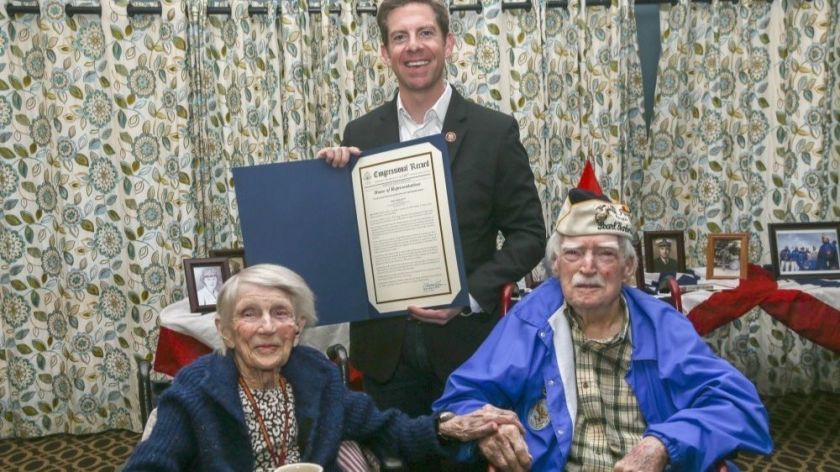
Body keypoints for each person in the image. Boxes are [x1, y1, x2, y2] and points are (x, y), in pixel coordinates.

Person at [433, 176, 773, 471]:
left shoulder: (662, 326)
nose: (588, 267)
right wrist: (488, 428)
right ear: (556, 266)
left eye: (605, 254)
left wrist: (664, 444)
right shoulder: (530, 322)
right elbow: (461, 398)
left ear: (628, 267)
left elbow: (738, 405)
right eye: (574, 253)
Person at [317, 0, 545, 421]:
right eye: (399, 37)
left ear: (449, 42)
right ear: (385, 53)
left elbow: (529, 235)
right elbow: (345, 241)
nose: (413, 46)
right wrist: (329, 180)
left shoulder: (495, 132)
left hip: (468, 348)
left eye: (425, 33)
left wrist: (470, 296)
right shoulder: (359, 134)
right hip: (385, 352)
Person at [125, 264, 525, 472]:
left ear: (298, 327)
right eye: (250, 314)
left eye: (280, 313)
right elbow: (151, 463)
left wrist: (449, 426)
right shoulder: (198, 388)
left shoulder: (314, 375)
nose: (267, 327)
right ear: (226, 332)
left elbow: (389, 428)